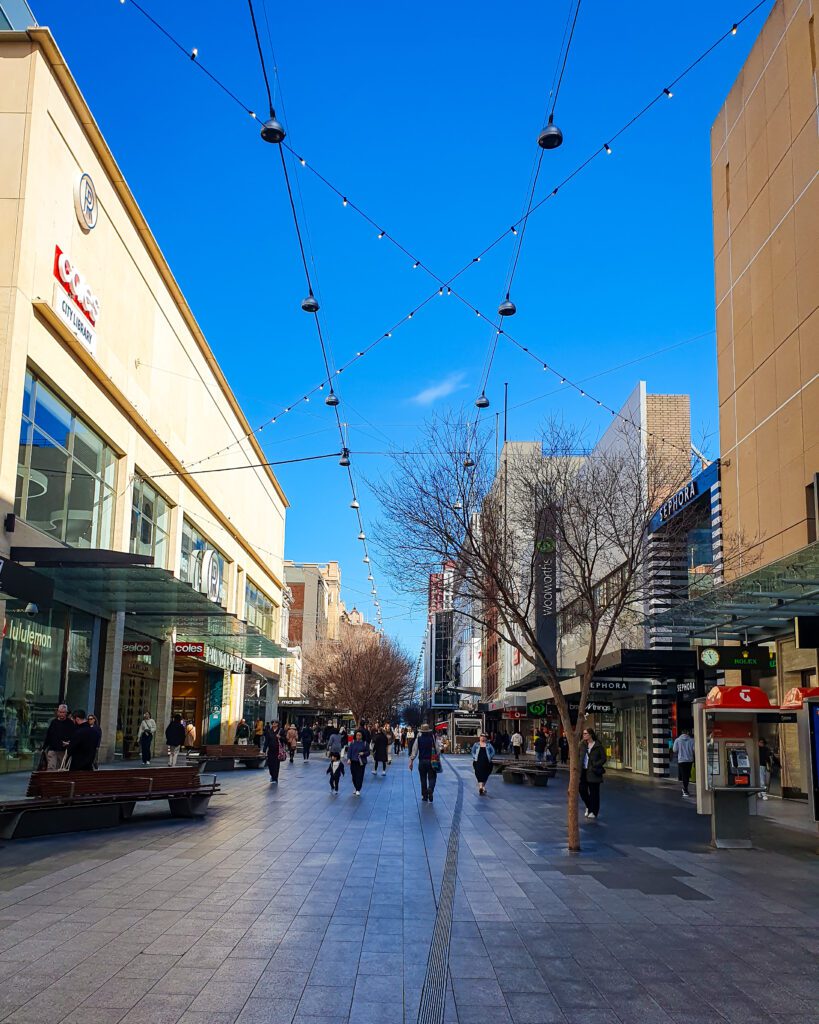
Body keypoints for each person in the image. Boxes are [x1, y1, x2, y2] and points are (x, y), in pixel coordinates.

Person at [579, 726, 606, 820]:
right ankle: (589, 806)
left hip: (593, 771)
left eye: (585, 733)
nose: (584, 735)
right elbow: (577, 755)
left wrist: (595, 765)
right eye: (583, 733)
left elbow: (603, 758)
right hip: (583, 771)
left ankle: (594, 811)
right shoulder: (582, 744)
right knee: (582, 790)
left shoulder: (598, 746)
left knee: (594, 793)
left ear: (590, 735)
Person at [409, 723, 440, 803]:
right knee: (432, 777)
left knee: (423, 779)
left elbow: (414, 750)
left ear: (421, 731)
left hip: (422, 761)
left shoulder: (418, 739)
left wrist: (411, 761)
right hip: (431, 761)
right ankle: (430, 789)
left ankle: (425, 796)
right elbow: (438, 750)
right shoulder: (433, 739)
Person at [43, 704, 75, 770]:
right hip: (53, 749)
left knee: (61, 768)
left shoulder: (70, 723)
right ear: (57, 712)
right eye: (60, 712)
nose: (61, 714)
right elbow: (49, 735)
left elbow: (73, 736)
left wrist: (68, 743)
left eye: (63, 712)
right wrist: (44, 747)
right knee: (51, 767)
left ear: (66, 713)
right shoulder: (53, 722)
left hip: (63, 750)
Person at [672, 728, 695, 798]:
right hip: (689, 760)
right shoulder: (692, 740)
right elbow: (694, 749)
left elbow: (674, 750)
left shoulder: (677, 740)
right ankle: (685, 788)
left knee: (684, 775)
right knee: (687, 775)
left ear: (681, 733)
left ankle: (685, 789)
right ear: (687, 733)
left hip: (681, 760)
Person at [346, 730, 369, 796]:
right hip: (353, 761)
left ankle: (358, 789)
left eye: (360, 735)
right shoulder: (353, 742)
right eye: (357, 735)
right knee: (354, 776)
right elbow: (349, 751)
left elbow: (368, 752)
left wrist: (363, 753)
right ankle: (356, 787)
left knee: (360, 776)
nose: (358, 736)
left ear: (362, 736)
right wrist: (349, 759)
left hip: (361, 762)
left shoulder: (365, 743)